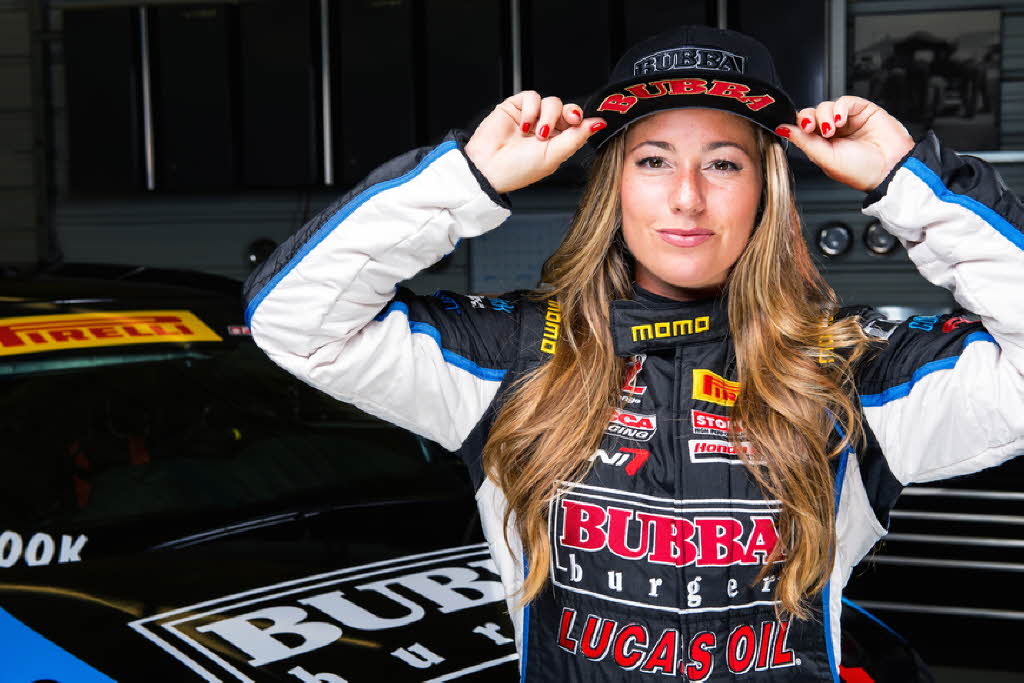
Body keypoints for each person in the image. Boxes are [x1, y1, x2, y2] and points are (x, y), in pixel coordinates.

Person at [242, 25, 1024, 681]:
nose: (687, 196)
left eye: (723, 161)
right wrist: (468, 179)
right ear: (614, 183)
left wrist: (912, 181)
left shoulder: (846, 372)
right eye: (653, 160)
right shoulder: (515, 354)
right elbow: (294, 320)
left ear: (765, 187)